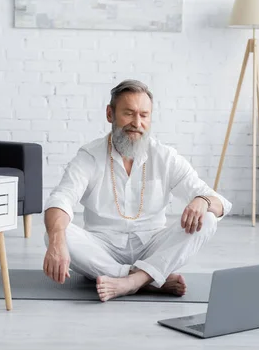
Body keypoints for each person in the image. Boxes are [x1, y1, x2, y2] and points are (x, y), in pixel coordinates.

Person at [42, 79, 232, 302]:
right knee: (54, 233)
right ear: (110, 114)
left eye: (144, 115)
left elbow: (220, 204)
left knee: (207, 219)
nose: (137, 122)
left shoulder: (165, 156)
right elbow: (62, 198)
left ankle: (131, 282)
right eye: (129, 113)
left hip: (153, 245)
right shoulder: (90, 156)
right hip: (103, 248)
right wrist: (56, 241)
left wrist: (203, 201)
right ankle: (148, 279)